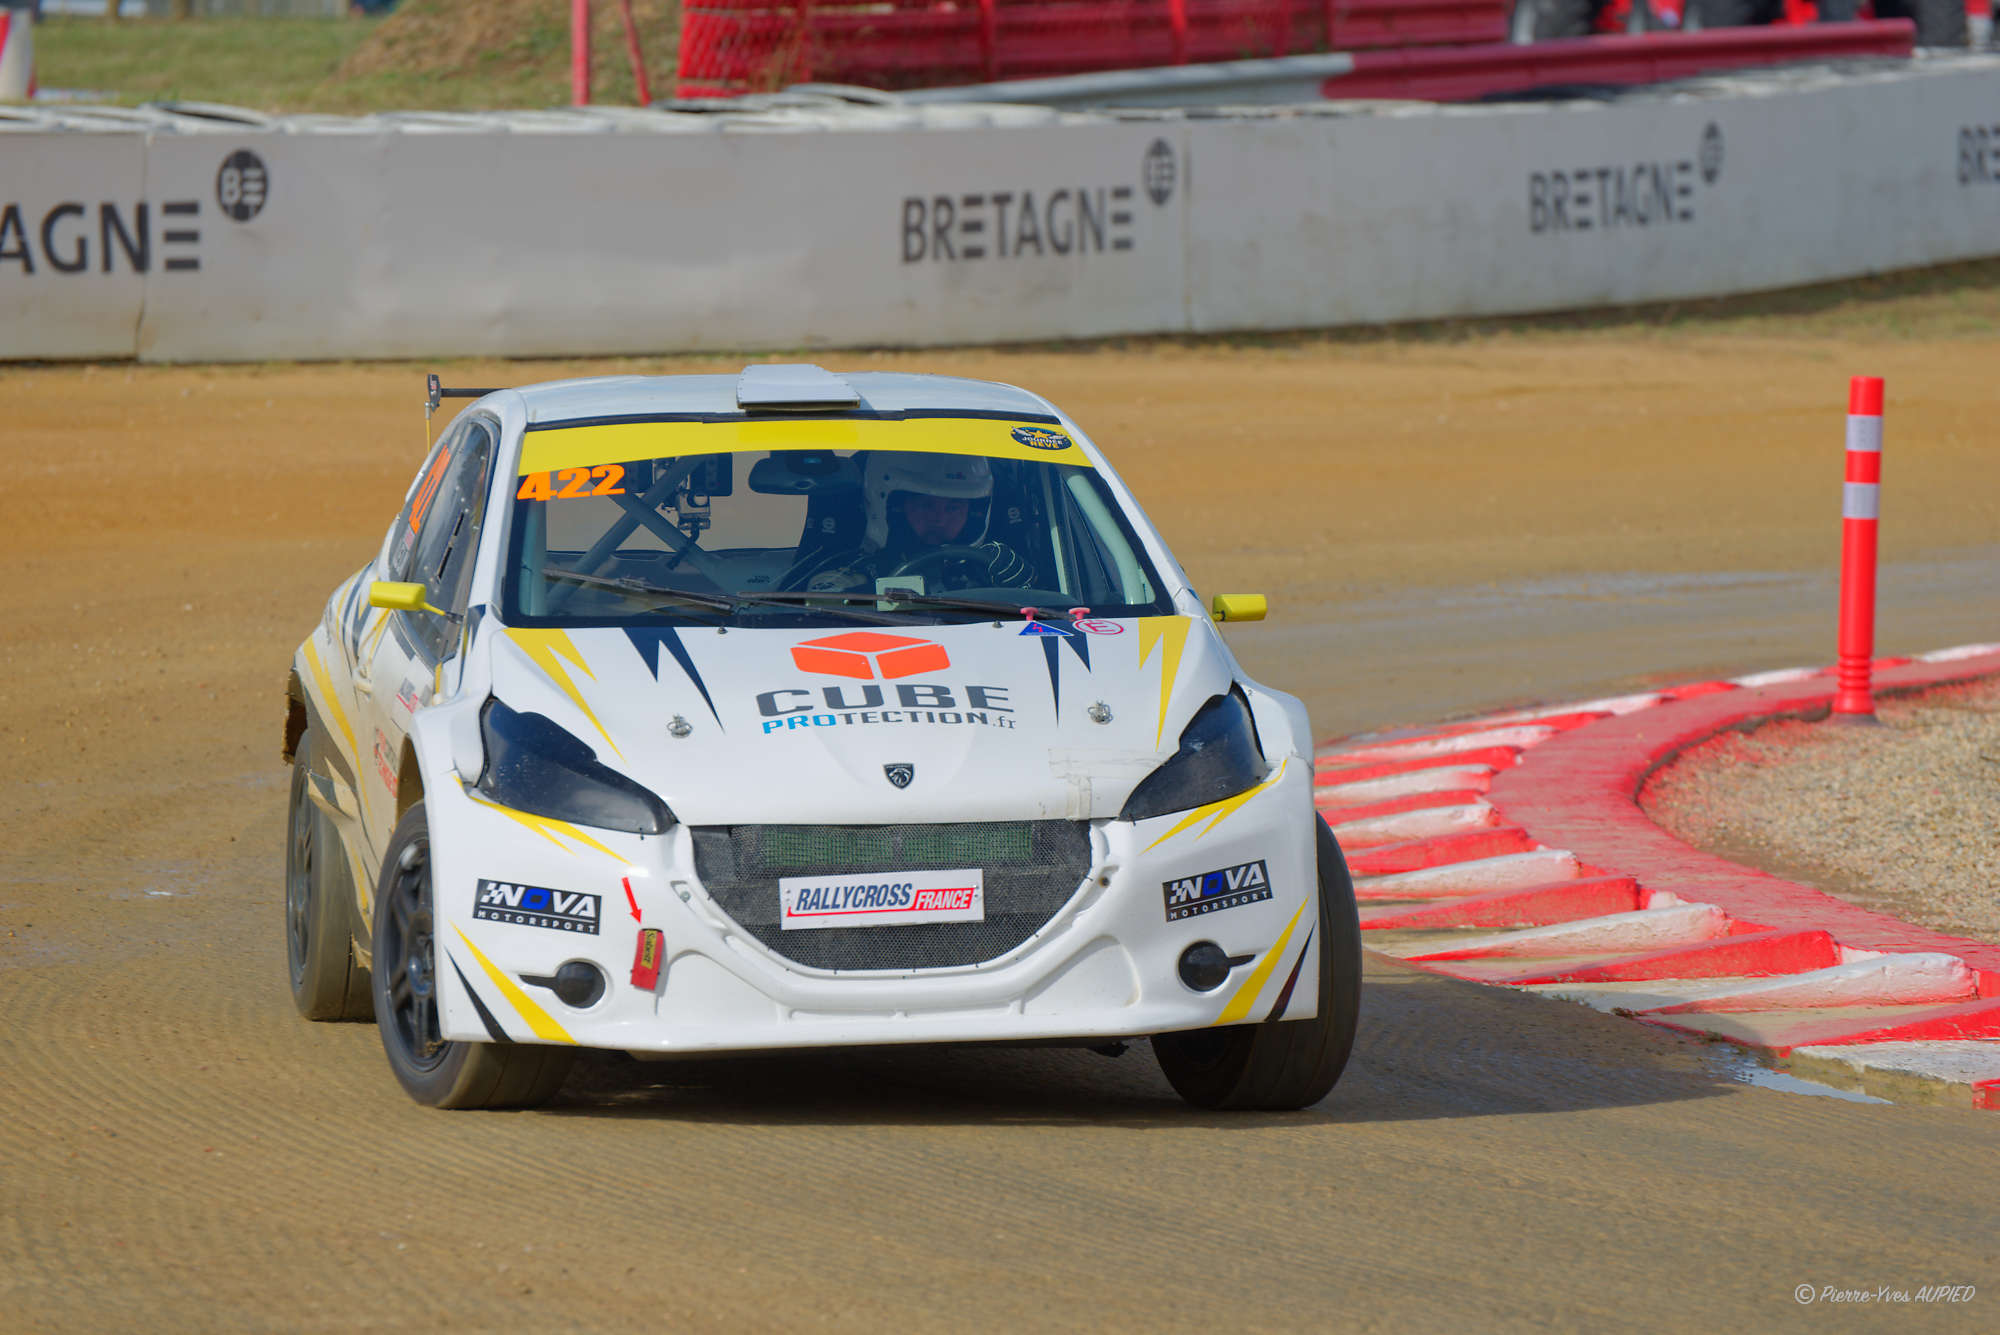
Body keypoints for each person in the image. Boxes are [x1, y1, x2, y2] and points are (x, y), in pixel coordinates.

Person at [799, 452, 1035, 593]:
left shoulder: (997, 571)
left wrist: (1022, 587)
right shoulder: (853, 577)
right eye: (926, 505)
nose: (940, 519)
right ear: (893, 508)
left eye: (953, 507)